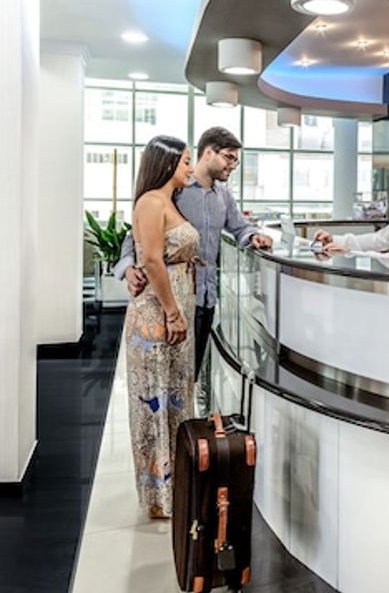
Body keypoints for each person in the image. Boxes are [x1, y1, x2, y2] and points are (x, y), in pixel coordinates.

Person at [113, 127, 272, 382]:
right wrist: (128, 266)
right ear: (208, 153)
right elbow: (137, 234)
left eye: (236, 160)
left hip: (207, 299)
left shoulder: (223, 196)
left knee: (190, 376)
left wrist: (254, 236)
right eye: (229, 157)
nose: (233, 165)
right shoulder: (176, 189)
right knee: (165, 377)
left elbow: (240, 227)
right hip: (172, 299)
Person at [122, 134, 199, 519]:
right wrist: (172, 312)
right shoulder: (151, 202)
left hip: (175, 313)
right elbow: (152, 260)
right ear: (167, 163)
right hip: (157, 317)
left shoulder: (171, 201)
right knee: (154, 401)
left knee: (174, 397)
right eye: (186, 161)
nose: (190, 168)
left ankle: (177, 485)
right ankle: (159, 495)